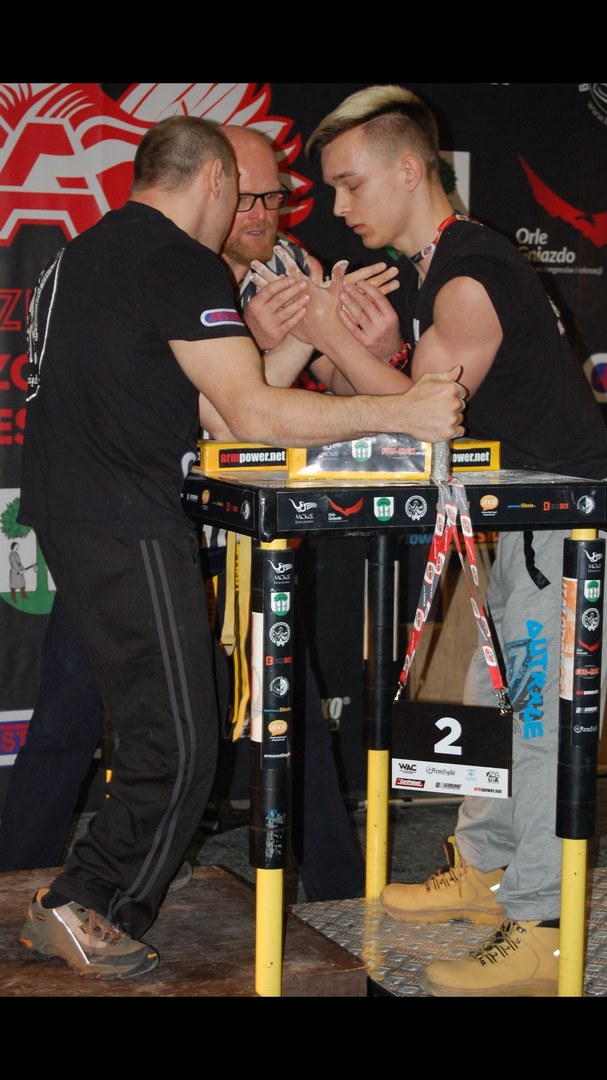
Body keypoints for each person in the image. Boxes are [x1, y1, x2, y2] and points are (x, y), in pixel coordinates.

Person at [14, 114, 465, 981]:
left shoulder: (90, 252)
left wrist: (308, 331)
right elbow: (254, 416)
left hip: (86, 514)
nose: (252, 214)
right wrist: (402, 411)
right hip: (123, 517)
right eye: (246, 195)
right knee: (180, 741)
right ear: (214, 180)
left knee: (167, 729)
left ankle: (92, 901)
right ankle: (84, 902)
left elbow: (219, 413)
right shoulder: (177, 259)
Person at [284, 84, 607, 997]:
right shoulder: (445, 269)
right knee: (490, 700)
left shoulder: (467, 273)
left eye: (349, 184)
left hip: (562, 532)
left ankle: (543, 929)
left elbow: (427, 422)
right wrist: (378, 348)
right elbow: (419, 394)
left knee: (536, 726)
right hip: (522, 529)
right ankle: (487, 867)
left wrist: (330, 336)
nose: (339, 207)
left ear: (407, 168)